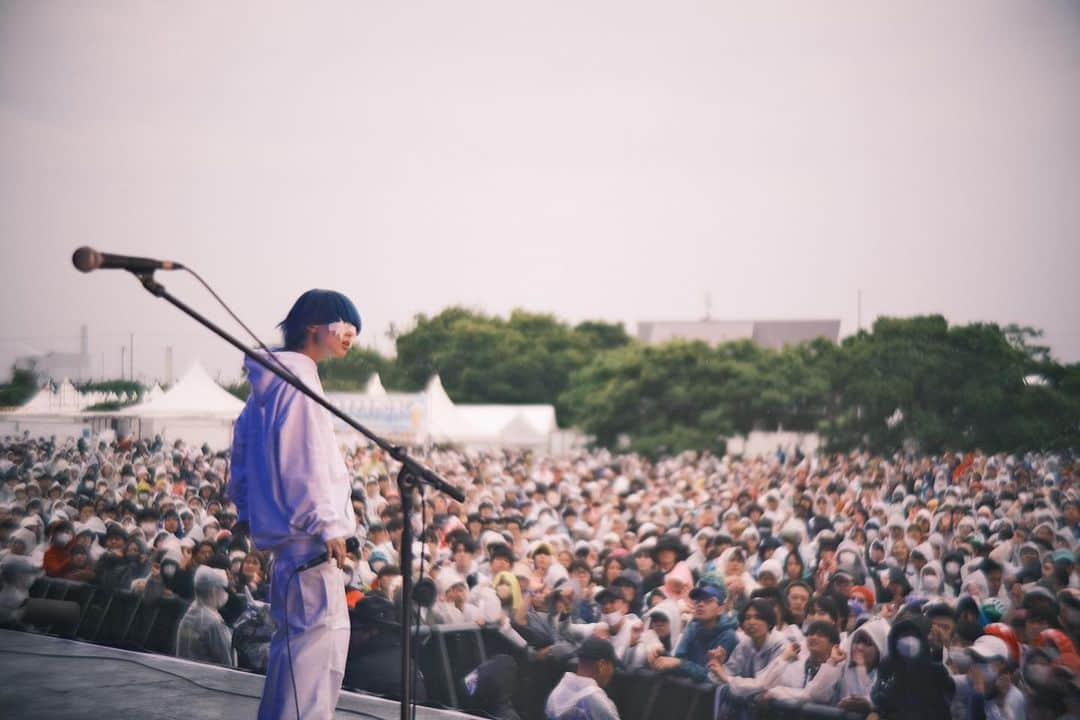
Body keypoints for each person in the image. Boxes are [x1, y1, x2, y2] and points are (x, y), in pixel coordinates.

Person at [227, 289, 361, 720]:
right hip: (309, 543)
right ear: (314, 326)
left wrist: (247, 511)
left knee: (294, 655)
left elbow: (242, 455)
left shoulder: (266, 388)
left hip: (290, 547)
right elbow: (307, 463)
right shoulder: (299, 383)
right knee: (313, 661)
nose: (350, 338)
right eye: (345, 327)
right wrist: (328, 525)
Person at [545, 636, 621, 720]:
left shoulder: (557, 692)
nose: (611, 672)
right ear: (601, 665)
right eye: (612, 666)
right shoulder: (597, 700)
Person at [175, 565, 234, 667]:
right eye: (224, 589)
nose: (226, 593)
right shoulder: (213, 622)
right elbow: (226, 662)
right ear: (213, 591)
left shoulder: (190, 613)